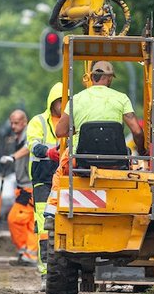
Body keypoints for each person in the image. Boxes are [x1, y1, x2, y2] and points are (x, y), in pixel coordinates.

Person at [45, 60, 146, 220]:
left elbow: (60, 131)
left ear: (91, 77)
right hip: (116, 162)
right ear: (110, 78)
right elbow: (137, 131)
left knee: (59, 173)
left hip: (81, 162)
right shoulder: (121, 98)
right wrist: (142, 150)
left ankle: (51, 211)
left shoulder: (76, 100)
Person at [26, 82, 63, 289]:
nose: (62, 105)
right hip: (43, 180)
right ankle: (45, 272)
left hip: (64, 178)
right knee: (43, 226)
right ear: (52, 102)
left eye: (64, 101)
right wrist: (48, 152)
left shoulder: (71, 121)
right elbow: (32, 144)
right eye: (59, 102)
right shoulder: (38, 121)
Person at [0, 109, 38, 266]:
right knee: (27, 222)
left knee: (16, 219)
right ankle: (27, 254)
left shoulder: (29, 135)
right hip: (23, 187)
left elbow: (30, 147)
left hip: (29, 188)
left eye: (16, 123)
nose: (13, 126)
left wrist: (12, 157)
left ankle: (29, 254)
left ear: (25, 122)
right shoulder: (17, 138)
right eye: (12, 123)